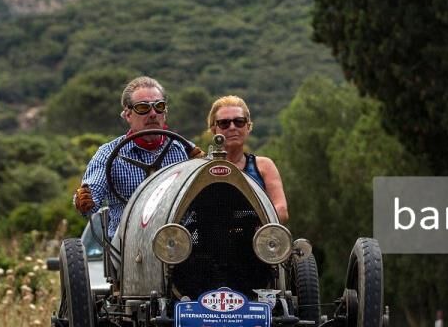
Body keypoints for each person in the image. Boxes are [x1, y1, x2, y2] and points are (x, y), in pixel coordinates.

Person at [75, 76, 203, 237]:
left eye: (159, 106)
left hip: (179, 242)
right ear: (128, 115)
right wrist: (85, 201)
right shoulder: (108, 154)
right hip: (128, 242)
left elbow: (205, 198)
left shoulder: (185, 150)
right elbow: (91, 197)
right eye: (143, 108)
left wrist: (202, 166)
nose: (153, 114)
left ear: (165, 112)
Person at [207, 95, 289, 222]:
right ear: (214, 130)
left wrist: (251, 226)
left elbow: (281, 210)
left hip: (256, 238)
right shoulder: (202, 168)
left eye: (239, 122)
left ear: (248, 127)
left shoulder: (264, 166)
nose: (232, 127)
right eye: (224, 123)